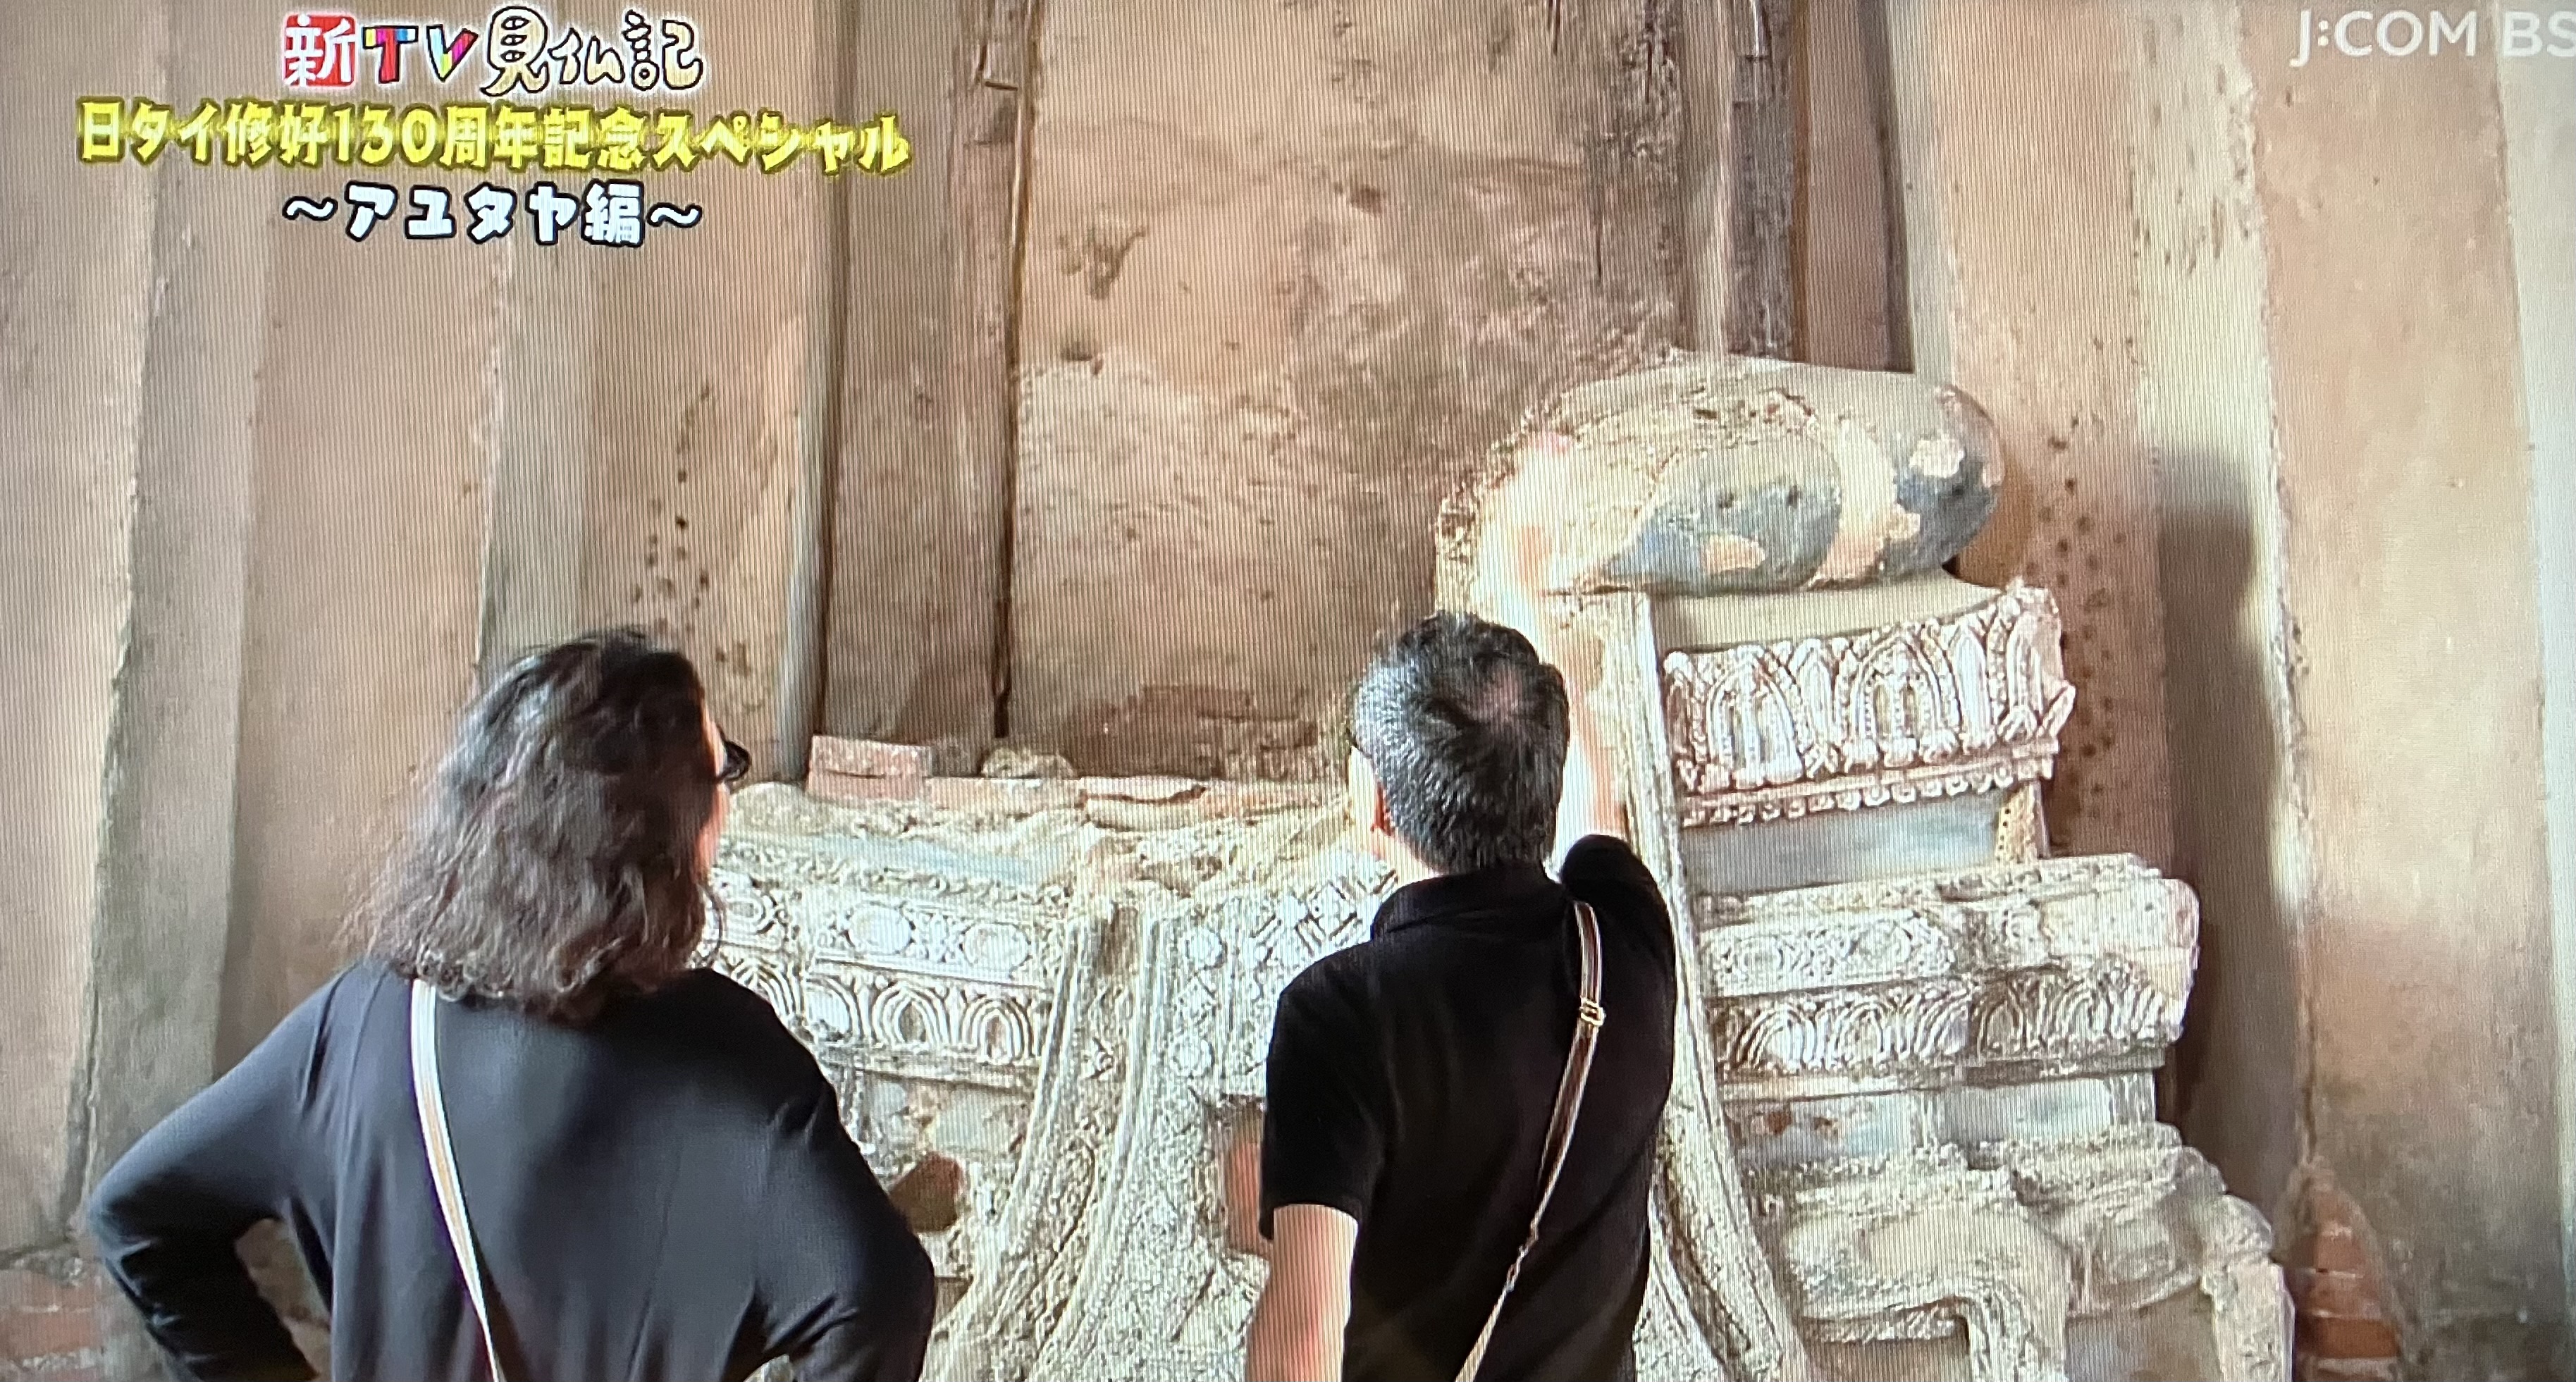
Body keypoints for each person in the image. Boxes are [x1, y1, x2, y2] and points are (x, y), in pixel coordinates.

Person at [87, 629, 937, 1382]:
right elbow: (877, 1292)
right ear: (664, 833)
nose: (725, 803)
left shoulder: (371, 1018)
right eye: (720, 776)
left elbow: (140, 1215)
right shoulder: (731, 1053)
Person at [1243, 560, 1680, 1381]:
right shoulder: (1624, 944)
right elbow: (1596, 803)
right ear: (1544, 785)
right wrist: (1523, 588)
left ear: (1372, 799)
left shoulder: (1340, 1012)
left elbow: (1305, 1332)